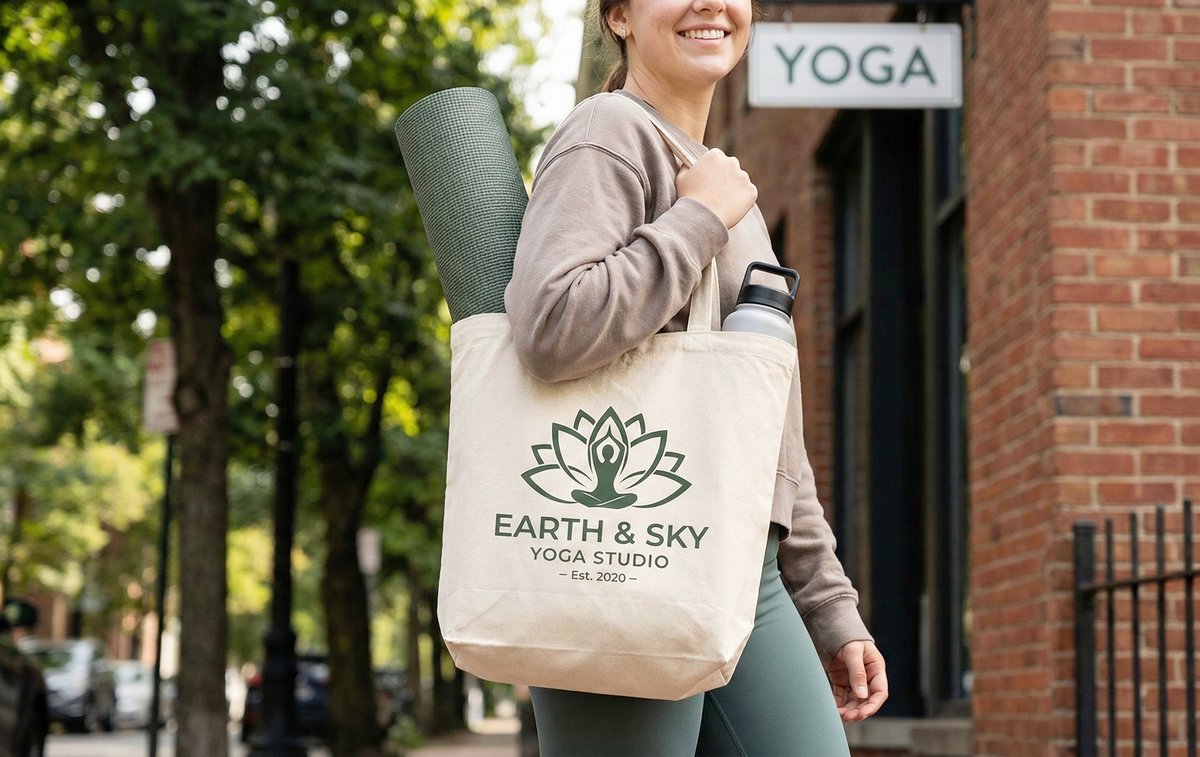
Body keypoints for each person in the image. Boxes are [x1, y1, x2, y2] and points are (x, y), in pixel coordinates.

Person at [503, 0, 889, 754]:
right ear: (618, 16)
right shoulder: (606, 135)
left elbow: (768, 425)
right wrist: (696, 221)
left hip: (747, 568)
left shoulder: (726, 185)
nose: (712, 3)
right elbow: (551, 326)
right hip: (623, 552)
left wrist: (829, 603)